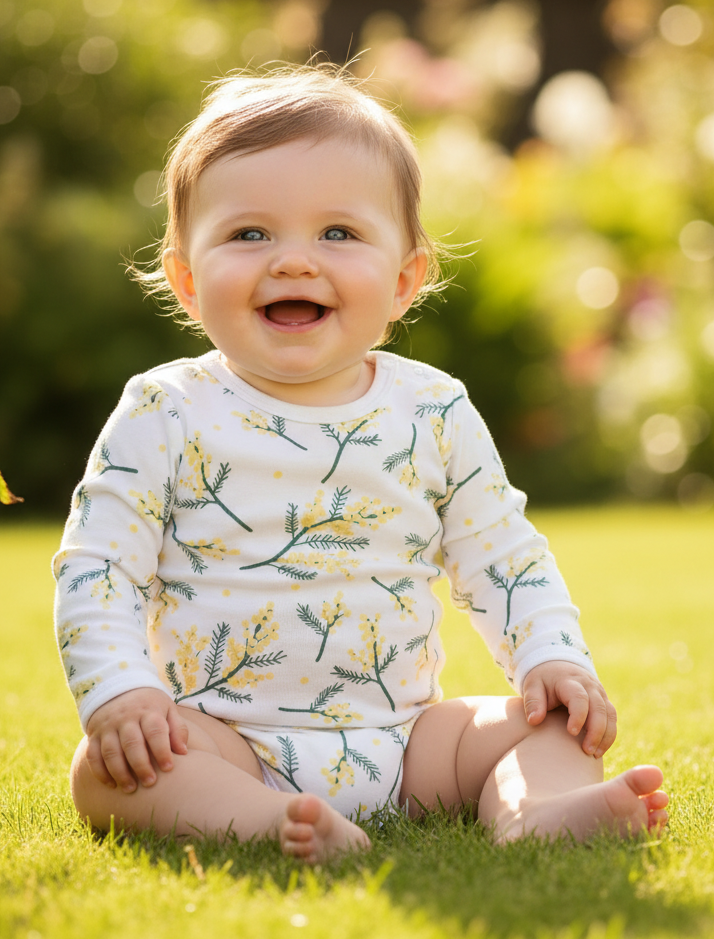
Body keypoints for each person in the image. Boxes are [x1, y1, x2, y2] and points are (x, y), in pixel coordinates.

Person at [53, 65, 668, 864]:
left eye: (337, 233)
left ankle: (533, 809)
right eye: (250, 233)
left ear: (405, 278)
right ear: (187, 279)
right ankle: (263, 817)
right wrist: (124, 695)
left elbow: (502, 554)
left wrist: (553, 658)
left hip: (412, 742)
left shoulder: (432, 409)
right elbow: (99, 566)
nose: (294, 262)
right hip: (224, 734)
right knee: (105, 775)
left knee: (552, 723)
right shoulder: (165, 410)